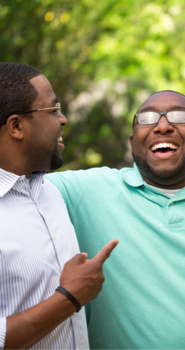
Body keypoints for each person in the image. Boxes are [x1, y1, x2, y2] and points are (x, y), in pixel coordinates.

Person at [47, 90, 185, 349]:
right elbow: (15, 184)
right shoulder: (85, 190)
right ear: (132, 142)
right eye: (147, 118)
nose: (162, 126)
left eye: (178, 116)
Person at [0, 62, 118, 349]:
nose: (63, 119)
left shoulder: (49, 192)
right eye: (53, 110)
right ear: (16, 126)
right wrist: (70, 298)